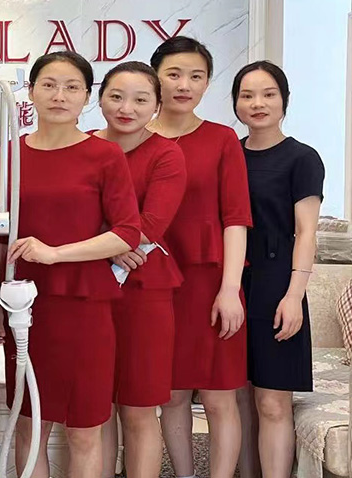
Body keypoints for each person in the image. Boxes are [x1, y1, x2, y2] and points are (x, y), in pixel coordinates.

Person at [0, 51, 141, 478]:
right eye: (49, 85)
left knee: (85, 429)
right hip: (23, 307)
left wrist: (56, 252)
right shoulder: (7, 155)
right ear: (31, 91)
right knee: (29, 423)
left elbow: (127, 233)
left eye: (72, 87)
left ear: (87, 97)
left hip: (85, 307)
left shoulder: (105, 155)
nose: (59, 96)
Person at [147, 36, 253, 478]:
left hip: (211, 282)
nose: (184, 85)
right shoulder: (132, 137)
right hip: (152, 284)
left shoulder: (222, 139)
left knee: (219, 394)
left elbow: (236, 218)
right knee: (170, 394)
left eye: (196, 76)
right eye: (173, 74)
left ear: (208, 82)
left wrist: (230, 289)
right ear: (155, 77)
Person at [93, 61, 187, 478]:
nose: (126, 108)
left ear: (156, 106)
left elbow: (152, 223)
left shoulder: (166, 153)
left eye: (140, 100)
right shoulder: (84, 147)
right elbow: (66, 215)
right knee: (96, 408)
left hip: (145, 289)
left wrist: (111, 244)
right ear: (99, 100)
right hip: (88, 288)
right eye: (116, 97)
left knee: (138, 407)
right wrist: (109, 246)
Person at [232, 61, 324, 478]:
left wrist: (294, 297)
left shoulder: (302, 158)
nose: (258, 103)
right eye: (247, 95)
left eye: (268, 94)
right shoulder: (229, 154)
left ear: (284, 100)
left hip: (277, 286)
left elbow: (306, 233)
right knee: (237, 398)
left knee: (272, 401)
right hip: (231, 283)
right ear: (235, 102)